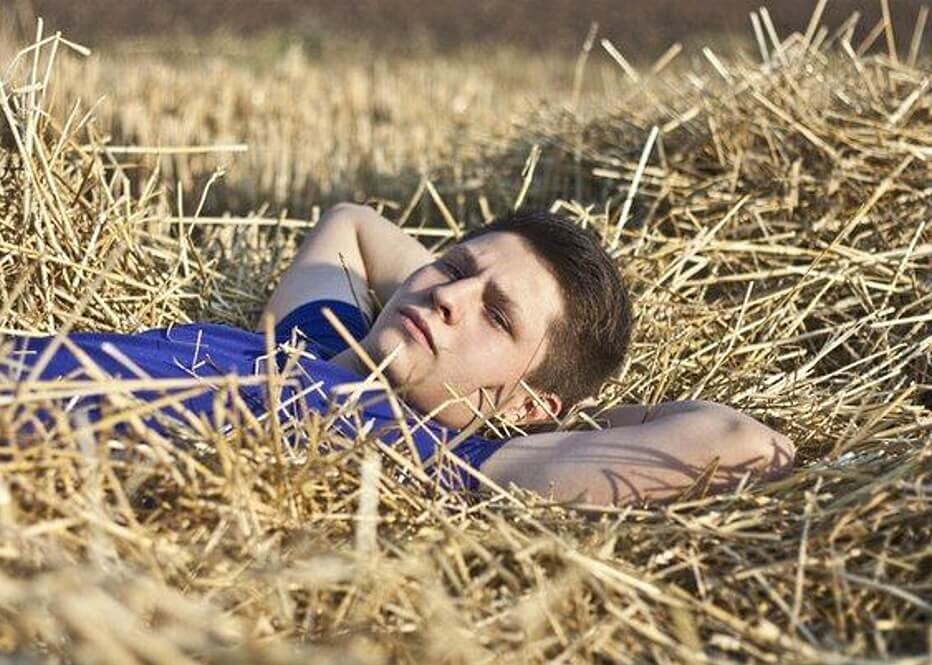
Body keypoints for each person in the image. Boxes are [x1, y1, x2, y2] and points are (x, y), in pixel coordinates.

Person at [3, 203, 795, 505]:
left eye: (496, 316)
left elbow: (736, 439)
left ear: (527, 403)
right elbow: (353, 224)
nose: (448, 297)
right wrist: (443, 309)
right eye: (453, 267)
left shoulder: (437, 458)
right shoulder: (311, 338)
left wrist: (520, 421)